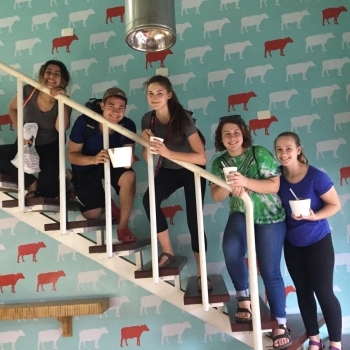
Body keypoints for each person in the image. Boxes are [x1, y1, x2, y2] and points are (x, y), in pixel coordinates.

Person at [210, 115, 291, 350]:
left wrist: (244, 181)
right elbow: (216, 196)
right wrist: (229, 185)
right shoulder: (219, 162)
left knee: (269, 270)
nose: (232, 137)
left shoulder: (260, 153)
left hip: (269, 217)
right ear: (221, 139)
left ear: (243, 133)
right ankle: (243, 297)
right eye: (227, 134)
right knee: (231, 250)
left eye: (236, 132)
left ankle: (280, 323)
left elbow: (274, 186)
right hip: (240, 214)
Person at [274, 132, 342, 350]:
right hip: (292, 243)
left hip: (318, 241)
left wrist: (314, 216)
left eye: (288, 149)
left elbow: (334, 205)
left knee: (323, 291)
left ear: (298, 150)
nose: (283, 154)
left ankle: (335, 343)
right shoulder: (276, 178)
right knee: (302, 291)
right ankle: (314, 339)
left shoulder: (316, 177)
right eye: (279, 150)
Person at [140, 75, 208, 290]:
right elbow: (147, 156)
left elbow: (202, 157)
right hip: (169, 170)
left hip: (192, 170)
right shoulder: (147, 119)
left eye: (159, 93)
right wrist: (145, 143)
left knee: (194, 219)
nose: (154, 97)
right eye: (150, 93)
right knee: (149, 200)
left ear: (169, 95)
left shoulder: (183, 119)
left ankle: (201, 271)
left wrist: (168, 152)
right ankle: (167, 251)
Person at [67, 87, 137, 243]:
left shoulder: (128, 125)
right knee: (92, 215)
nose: (116, 112)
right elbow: (71, 155)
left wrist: (128, 161)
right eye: (111, 106)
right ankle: (74, 186)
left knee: (129, 176)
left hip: (111, 164)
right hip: (85, 166)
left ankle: (123, 227)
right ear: (102, 106)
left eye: (121, 108)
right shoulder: (85, 122)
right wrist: (93, 159)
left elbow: (128, 156)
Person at [0, 60, 71, 198]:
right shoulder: (28, 90)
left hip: (50, 148)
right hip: (27, 143)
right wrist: (21, 132)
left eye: (57, 74)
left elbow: (60, 128)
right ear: (42, 75)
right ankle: (31, 182)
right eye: (48, 72)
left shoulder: (65, 101)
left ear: (62, 81)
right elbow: (12, 108)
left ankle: (67, 184)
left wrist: (62, 100)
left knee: (47, 193)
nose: (51, 76)